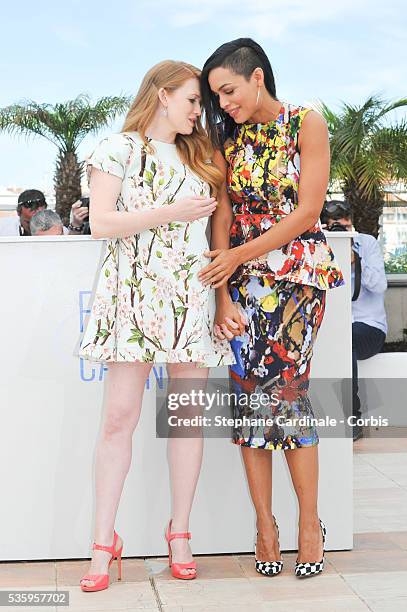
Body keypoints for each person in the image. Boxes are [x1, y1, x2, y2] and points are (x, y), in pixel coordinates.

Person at [76, 60, 236, 592]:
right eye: (192, 100)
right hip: (132, 298)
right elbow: (101, 222)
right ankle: (103, 542)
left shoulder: (202, 155)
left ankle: (181, 532)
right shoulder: (117, 148)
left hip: (190, 301)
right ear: (163, 95)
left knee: (187, 420)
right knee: (119, 418)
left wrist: (220, 297)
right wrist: (172, 211)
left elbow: (216, 235)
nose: (199, 111)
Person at [199, 38, 345, 578]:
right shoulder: (224, 137)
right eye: (216, 95)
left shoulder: (305, 122)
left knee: (285, 394)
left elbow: (308, 210)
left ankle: (309, 523)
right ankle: (265, 523)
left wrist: (241, 252)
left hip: (298, 278)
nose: (224, 103)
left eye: (229, 90)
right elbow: (223, 210)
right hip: (241, 285)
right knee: (249, 401)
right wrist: (222, 288)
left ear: (257, 77)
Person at [321, 200, 387, 441]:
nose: (339, 231)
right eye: (333, 227)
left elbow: (379, 286)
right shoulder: (319, 245)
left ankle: (353, 417)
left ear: (352, 225)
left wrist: (354, 259)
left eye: (343, 226)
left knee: (346, 340)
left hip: (368, 327)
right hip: (330, 326)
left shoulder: (366, 244)